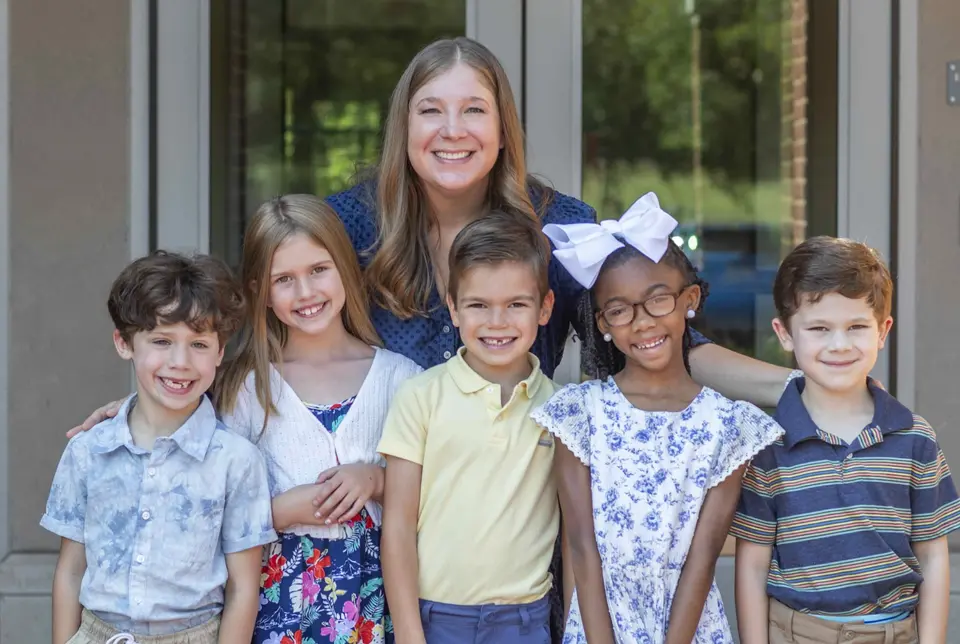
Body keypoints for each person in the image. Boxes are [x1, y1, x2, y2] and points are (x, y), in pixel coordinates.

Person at [532, 193, 784, 644]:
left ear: (690, 299)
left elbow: (702, 558)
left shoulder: (727, 426)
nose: (643, 322)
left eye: (658, 300)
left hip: (688, 630)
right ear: (602, 324)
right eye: (619, 310)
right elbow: (582, 549)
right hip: (598, 627)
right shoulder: (579, 414)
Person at [214, 195, 422, 644]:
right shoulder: (247, 388)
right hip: (277, 609)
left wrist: (376, 480)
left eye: (318, 270)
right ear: (261, 293)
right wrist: (283, 510)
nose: (305, 292)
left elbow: (442, 493)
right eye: (283, 279)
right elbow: (216, 510)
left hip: (376, 604)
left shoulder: (401, 379)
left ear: (345, 268)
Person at [732, 236, 960, 644]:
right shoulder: (767, 445)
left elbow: (933, 554)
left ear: (882, 330)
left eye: (856, 327)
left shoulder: (914, 438)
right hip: (796, 634)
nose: (839, 344)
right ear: (785, 334)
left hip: (894, 633)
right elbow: (752, 564)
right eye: (819, 328)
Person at [42, 251, 276, 644]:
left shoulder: (236, 461)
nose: (180, 361)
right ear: (124, 343)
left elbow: (243, 588)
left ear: (220, 352)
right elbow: (70, 572)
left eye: (199, 344)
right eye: (162, 341)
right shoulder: (88, 451)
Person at [378, 212, 562, 644]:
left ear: (545, 308)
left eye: (516, 304)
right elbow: (398, 527)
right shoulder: (419, 396)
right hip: (434, 619)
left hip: (524, 622)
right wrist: (409, 635)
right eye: (479, 305)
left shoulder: (562, 409)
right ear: (453, 307)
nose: (497, 321)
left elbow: (576, 536)